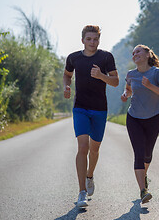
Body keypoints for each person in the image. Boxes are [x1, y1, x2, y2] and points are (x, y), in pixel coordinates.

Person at [63, 25, 119, 208]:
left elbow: (116, 82)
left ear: (99, 40)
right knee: (83, 147)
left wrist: (101, 75)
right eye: (89, 39)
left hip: (100, 110)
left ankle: (90, 175)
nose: (92, 42)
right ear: (82, 40)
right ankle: (81, 192)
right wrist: (66, 86)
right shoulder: (74, 58)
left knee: (94, 150)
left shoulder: (106, 57)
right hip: (80, 108)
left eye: (95, 39)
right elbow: (67, 75)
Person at [121, 44, 159, 204]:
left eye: (138, 52)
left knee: (147, 155)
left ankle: (144, 177)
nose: (135, 54)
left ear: (148, 54)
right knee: (139, 153)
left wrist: (150, 86)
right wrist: (125, 94)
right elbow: (128, 89)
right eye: (133, 53)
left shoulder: (157, 73)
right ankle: (143, 190)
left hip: (153, 118)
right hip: (134, 117)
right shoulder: (130, 74)